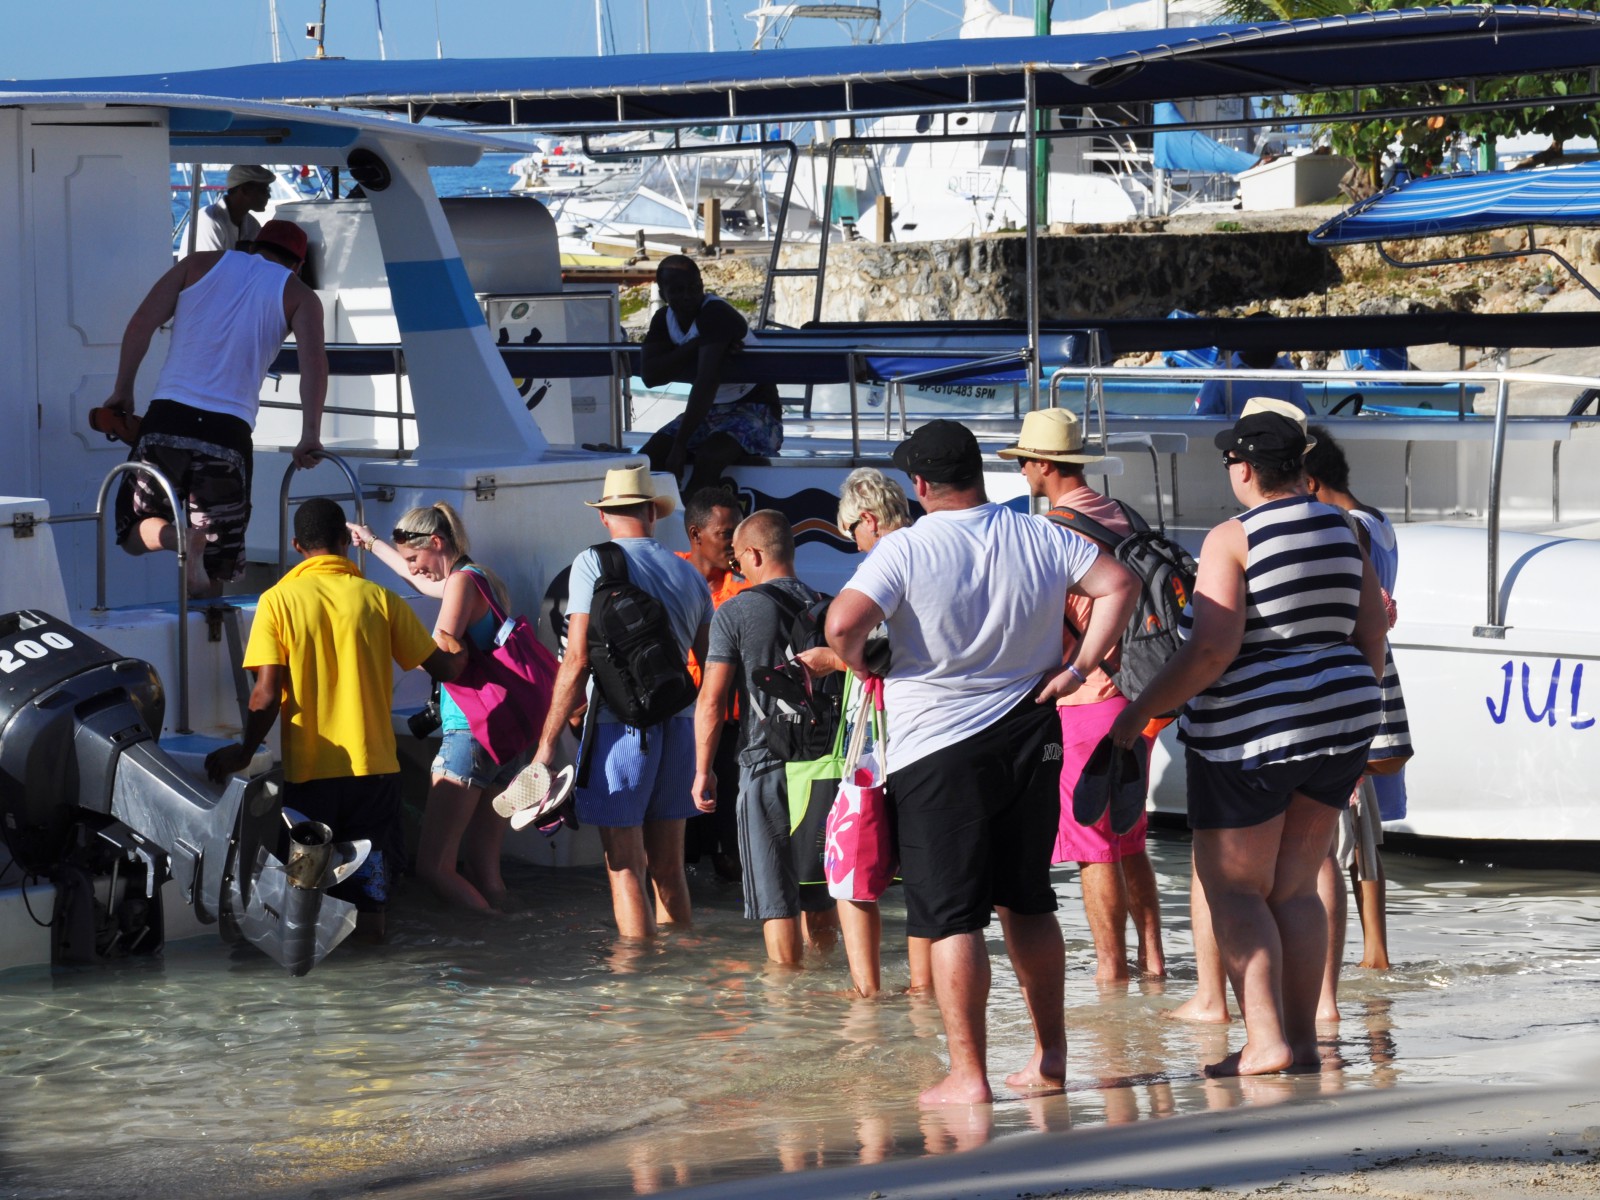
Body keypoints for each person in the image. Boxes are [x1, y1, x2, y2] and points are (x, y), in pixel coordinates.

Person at [826, 420, 1139, 1104]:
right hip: (1032, 731)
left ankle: (968, 1076)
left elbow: (841, 626)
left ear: (918, 485)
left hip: (936, 749)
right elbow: (1120, 585)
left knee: (950, 917)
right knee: (1027, 900)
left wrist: (864, 661)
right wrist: (1080, 665)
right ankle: (1049, 1060)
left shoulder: (904, 549)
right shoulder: (1041, 533)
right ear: (980, 473)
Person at [1108, 409, 1387, 1077]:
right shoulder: (1345, 527)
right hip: (1345, 716)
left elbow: (1210, 649)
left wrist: (1141, 711)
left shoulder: (1232, 537)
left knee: (1234, 889)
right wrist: (1342, 705)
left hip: (1254, 731)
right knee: (1293, 889)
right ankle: (1298, 1042)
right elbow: (1371, 631)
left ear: (1243, 468)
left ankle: (1264, 1043)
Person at [204, 497, 466, 940]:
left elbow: (266, 696)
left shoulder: (278, 601)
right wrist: (463, 645)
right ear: (346, 542)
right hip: (375, 777)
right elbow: (443, 668)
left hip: (311, 782)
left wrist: (243, 753)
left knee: (304, 900)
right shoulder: (378, 598)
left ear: (295, 545)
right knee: (372, 906)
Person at [998, 408, 1166, 985]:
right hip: (1144, 692)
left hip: (1089, 697)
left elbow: (1037, 620)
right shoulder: (1122, 514)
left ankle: (1109, 972)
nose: (1021, 470)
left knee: (1092, 842)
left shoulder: (1052, 533)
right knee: (1130, 834)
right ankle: (1153, 958)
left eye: (1024, 461)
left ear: (1044, 463)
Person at [533, 465, 712, 940]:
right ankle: (681, 985)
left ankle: (637, 994)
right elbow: (712, 665)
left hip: (620, 727)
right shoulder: (690, 574)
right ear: (653, 513)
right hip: (680, 727)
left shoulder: (593, 563)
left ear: (605, 516)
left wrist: (546, 745)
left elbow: (574, 661)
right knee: (669, 869)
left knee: (625, 865)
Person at [107, 218, 328, 598]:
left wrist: (122, 391)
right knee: (217, 564)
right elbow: (314, 368)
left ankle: (176, 536)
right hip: (227, 434)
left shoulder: (197, 264)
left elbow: (140, 324)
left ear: (253, 246)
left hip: (167, 420)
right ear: (297, 265)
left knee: (131, 529)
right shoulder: (300, 295)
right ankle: (206, 635)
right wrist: (309, 435)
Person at [350, 503, 526, 914]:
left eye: (416, 559)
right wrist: (371, 541)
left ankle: (489, 940)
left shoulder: (461, 585)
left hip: (469, 734)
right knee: (486, 871)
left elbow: (441, 645)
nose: (414, 570)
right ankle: (513, 941)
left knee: (434, 868)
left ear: (436, 542)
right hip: (505, 737)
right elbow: (414, 572)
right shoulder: (481, 580)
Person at [692, 510, 841, 966]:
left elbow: (712, 701)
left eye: (738, 560)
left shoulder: (734, 611)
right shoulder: (830, 605)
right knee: (819, 893)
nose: (737, 567)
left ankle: (789, 1010)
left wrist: (702, 771)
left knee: (775, 899)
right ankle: (828, 986)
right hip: (824, 765)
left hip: (765, 763)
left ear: (754, 553)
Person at [827, 466, 931, 997]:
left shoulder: (886, 562)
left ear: (867, 520)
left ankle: (866, 994)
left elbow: (858, 637)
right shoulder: (935, 549)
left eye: (851, 533)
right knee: (923, 871)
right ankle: (922, 989)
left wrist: (840, 660)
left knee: (854, 862)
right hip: (940, 733)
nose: (855, 544)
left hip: (885, 732)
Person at [1305, 425, 1404, 982]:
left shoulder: (1350, 528)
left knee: (1349, 824)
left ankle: (1366, 953)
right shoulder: (1381, 521)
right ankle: (1374, 948)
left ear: (1312, 480)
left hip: (1353, 674)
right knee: (1364, 828)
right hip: (1379, 667)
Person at [638, 256, 783, 497]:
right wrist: (695, 345)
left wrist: (680, 445)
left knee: (709, 457)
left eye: (694, 288)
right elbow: (651, 376)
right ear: (662, 293)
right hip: (711, 410)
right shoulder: (664, 319)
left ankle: (693, 524)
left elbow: (707, 381)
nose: (687, 295)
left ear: (702, 285)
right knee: (650, 456)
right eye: (677, 290)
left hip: (755, 407)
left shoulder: (716, 314)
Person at [676, 486, 748, 883]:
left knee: (729, 857)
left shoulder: (746, 589)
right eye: (726, 533)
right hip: (676, 725)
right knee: (676, 851)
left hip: (728, 734)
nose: (735, 543)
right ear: (695, 535)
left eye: (738, 532)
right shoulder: (666, 575)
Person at [184, 164, 274, 256]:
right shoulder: (208, 221)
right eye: (264, 190)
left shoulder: (252, 224)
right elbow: (213, 268)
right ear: (244, 190)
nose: (268, 195)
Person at [1193, 347, 1310, 418]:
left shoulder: (1287, 370)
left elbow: (1302, 414)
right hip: (1236, 448)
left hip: (1280, 448)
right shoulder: (1222, 374)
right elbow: (1202, 419)